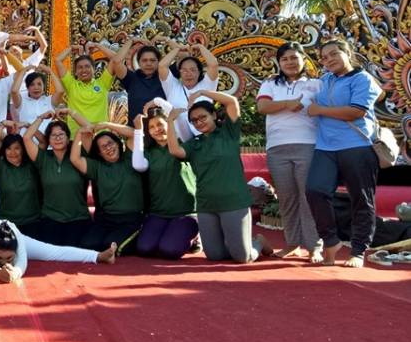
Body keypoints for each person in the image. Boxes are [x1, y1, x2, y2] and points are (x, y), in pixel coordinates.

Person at [305, 39, 383, 268]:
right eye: (324, 57)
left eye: (333, 54)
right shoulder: (324, 80)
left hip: (357, 146)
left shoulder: (362, 79)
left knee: (361, 199)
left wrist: (319, 110)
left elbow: (355, 112)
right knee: (315, 190)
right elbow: (304, 96)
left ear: (347, 52)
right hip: (325, 147)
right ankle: (331, 241)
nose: (328, 60)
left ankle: (358, 251)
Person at [167, 91, 269, 264]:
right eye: (194, 120)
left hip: (234, 202)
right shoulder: (194, 144)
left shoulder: (229, 132)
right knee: (215, 255)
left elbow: (232, 102)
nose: (199, 122)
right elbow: (175, 150)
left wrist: (202, 92)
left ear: (213, 115)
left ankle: (257, 243)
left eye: (203, 117)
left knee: (242, 257)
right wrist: (170, 121)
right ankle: (238, 243)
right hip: (207, 205)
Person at [256, 42, 323, 261]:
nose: (290, 62)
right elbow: (262, 107)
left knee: (307, 196)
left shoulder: (316, 84)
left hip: (308, 144)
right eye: (284, 59)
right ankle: (292, 243)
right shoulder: (270, 83)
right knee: (286, 198)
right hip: (277, 147)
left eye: (294, 57)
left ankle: (314, 246)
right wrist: (287, 103)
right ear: (279, 63)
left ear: (304, 59)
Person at [131, 109, 199, 259]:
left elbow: (178, 114)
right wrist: (139, 130)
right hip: (159, 212)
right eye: (151, 127)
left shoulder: (184, 144)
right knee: (144, 248)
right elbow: (138, 165)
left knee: (170, 250)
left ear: (169, 123)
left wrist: (161, 105)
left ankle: (195, 239)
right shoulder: (149, 152)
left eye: (160, 124)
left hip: (186, 213)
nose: (157, 129)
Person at [70, 123, 144, 254]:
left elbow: (134, 134)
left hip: (131, 219)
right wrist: (79, 134)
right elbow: (75, 159)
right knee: (87, 245)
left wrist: (105, 124)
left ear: (118, 144)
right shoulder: (97, 167)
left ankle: (141, 235)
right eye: (103, 147)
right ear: (99, 153)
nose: (108, 148)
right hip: (106, 219)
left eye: (110, 143)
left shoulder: (130, 158)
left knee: (112, 246)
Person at [23, 112, 93, 246]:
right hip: (50, 219)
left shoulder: (79, 156)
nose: (58, 138)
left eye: (61, 134)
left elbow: (88, 128)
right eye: (53, 135)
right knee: (51, 252)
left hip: (78, 218)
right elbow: (26, 138)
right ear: (48, 140)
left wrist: (70, 112)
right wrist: (40, 118)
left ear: (68, 137)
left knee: (75, 251)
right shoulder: (43, 158)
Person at [0, 123, 42, 235]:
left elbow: (43, 142)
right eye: (8, 148)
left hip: (33, 222)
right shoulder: (0, 167)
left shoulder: (32, 164)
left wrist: (27, 125)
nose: (12, 153)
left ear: (23, 149)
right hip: (7, 223)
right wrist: (2, 124)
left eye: (17, 148)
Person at [158, 40, 219, 141]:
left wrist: (200, 47)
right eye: (184, 70)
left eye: (193, 70)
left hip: (207, 139)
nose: (188, 74)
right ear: (180, 72)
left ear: (199, 72)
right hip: (180, 142)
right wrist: (178, 49)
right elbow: (162, 66)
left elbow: (213, 64)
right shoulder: (172, 86)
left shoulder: (207, 85)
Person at [54, 43, 116, 135]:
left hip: (101, 136)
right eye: (80, 67)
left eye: (87, 66)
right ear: (75, 72)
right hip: (77, 136)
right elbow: (58, 60)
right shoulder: (71, 85)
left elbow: (116, 59)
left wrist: (98, 46)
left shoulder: (103, 82)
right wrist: (71, 48)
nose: (84, 70)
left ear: (94, 69)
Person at [109, 39, 166, 125]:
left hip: (160, 129)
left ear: (158, 62)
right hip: (135, 130)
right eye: (144, 60)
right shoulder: (131, 78)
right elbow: (116, 61)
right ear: (138, 62)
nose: (149, 63)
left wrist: (167, 40)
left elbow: (184, 55)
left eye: (152, 60)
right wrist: (131, 41)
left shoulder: (165, 78)